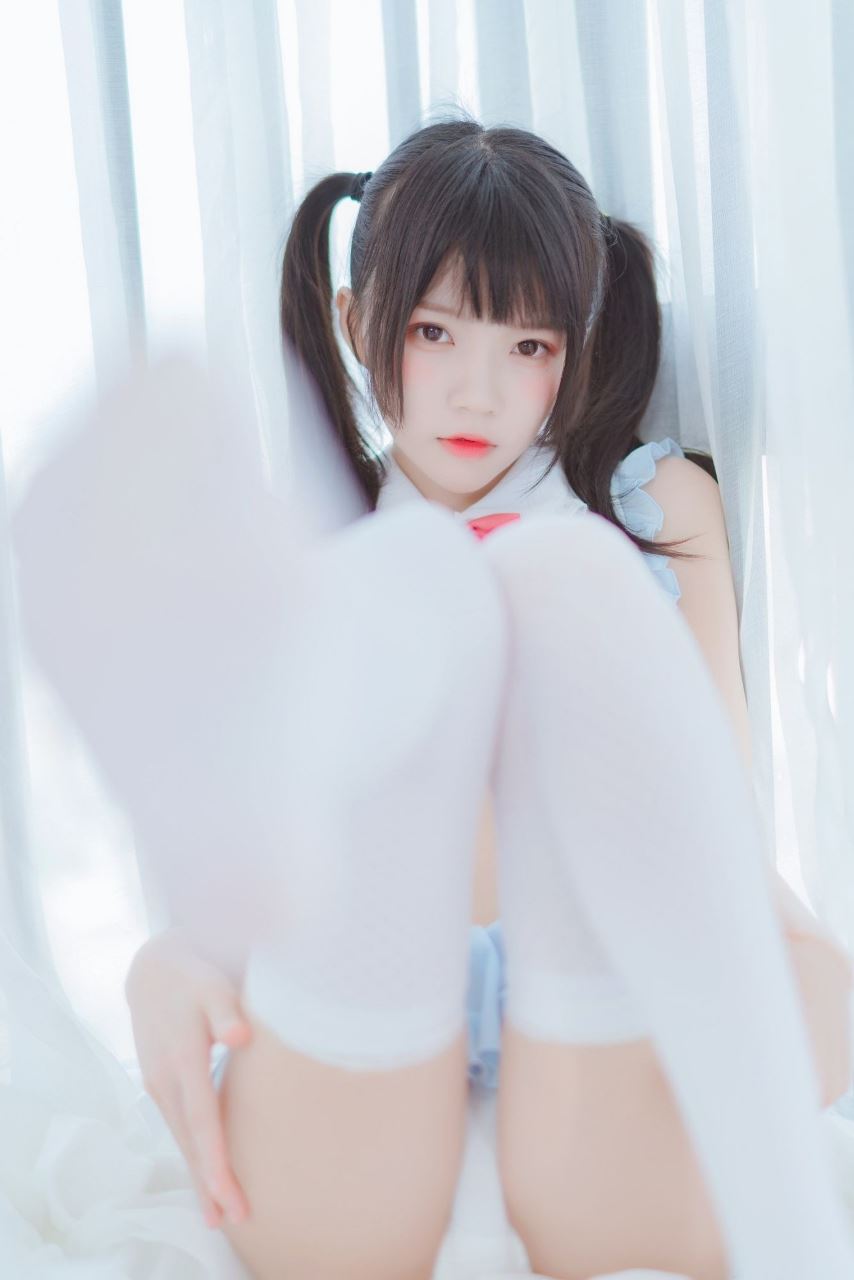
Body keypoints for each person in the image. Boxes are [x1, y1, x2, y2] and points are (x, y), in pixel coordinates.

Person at [15, 109, 854, 1280]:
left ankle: (786, 1219)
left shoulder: (651, 511)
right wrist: (169, 955)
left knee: (554, 580)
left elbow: (713, 797)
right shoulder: (313, 552)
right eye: (433, 331)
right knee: (412, 574)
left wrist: (785, 965)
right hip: (360, 1019)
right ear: (355, 320)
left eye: (528, 346)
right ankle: (402, 661)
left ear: (575, 348)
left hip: (604, 1005)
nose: (477, 392)